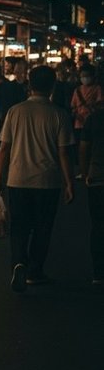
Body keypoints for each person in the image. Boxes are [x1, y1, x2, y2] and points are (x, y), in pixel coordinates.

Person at [0, 65, 75, 293]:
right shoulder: (59, 114)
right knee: (42, 227)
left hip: (17, 179)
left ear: (29, 85)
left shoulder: (15, 112)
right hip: (47, 182)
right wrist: (70, 182)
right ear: (52, 86)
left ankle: (18, 262)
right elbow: (63, 153)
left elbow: (3, 149)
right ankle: (35, 271)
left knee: (19, 226)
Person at [0, 61, 28, 181]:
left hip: (0, 124)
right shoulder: (14, 86)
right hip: (16, 122)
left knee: (0, 149)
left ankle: (1, 176)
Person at [79, 107, 104, 285]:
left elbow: (84, 148)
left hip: (97, 178)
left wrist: (85, 172)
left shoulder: (94, 118)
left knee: (98, 226)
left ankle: (99, 272)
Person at [69, 64, 103, 142]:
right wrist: (75, 114)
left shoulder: (97, 88)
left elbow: (100, 104)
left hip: (92, 122)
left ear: (92, 76)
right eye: (82, 76)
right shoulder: (77, 90)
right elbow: (73, 106)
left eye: (87, 76)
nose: (85, 78)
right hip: (79, 123)